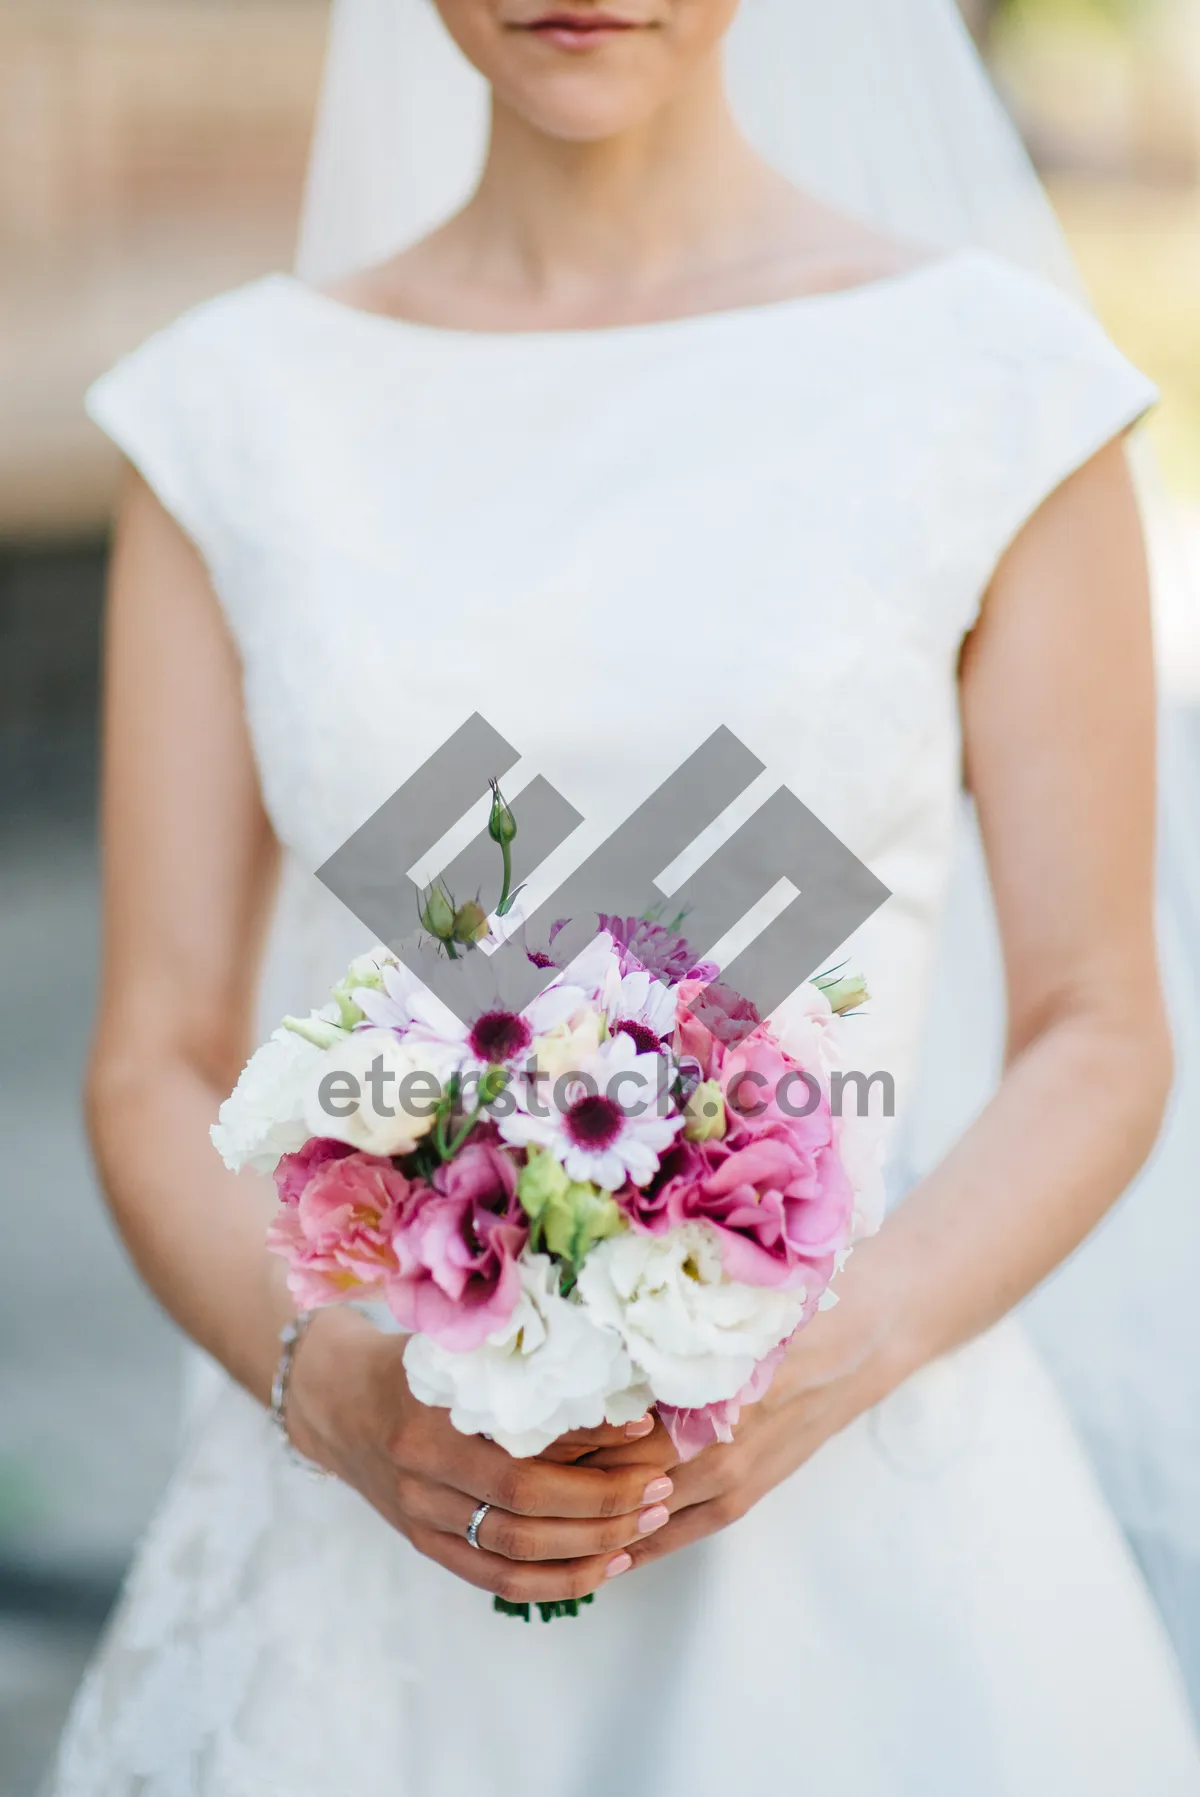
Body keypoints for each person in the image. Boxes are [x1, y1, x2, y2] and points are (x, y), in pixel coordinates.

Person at [51, 2, 1200, 1791]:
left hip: (865, 1527)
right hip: (385, 1535)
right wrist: (341, 1395)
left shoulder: (993, 386)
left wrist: (829, 1357)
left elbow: (1100, 1022)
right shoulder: (232, 411)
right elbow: (151, 1049)